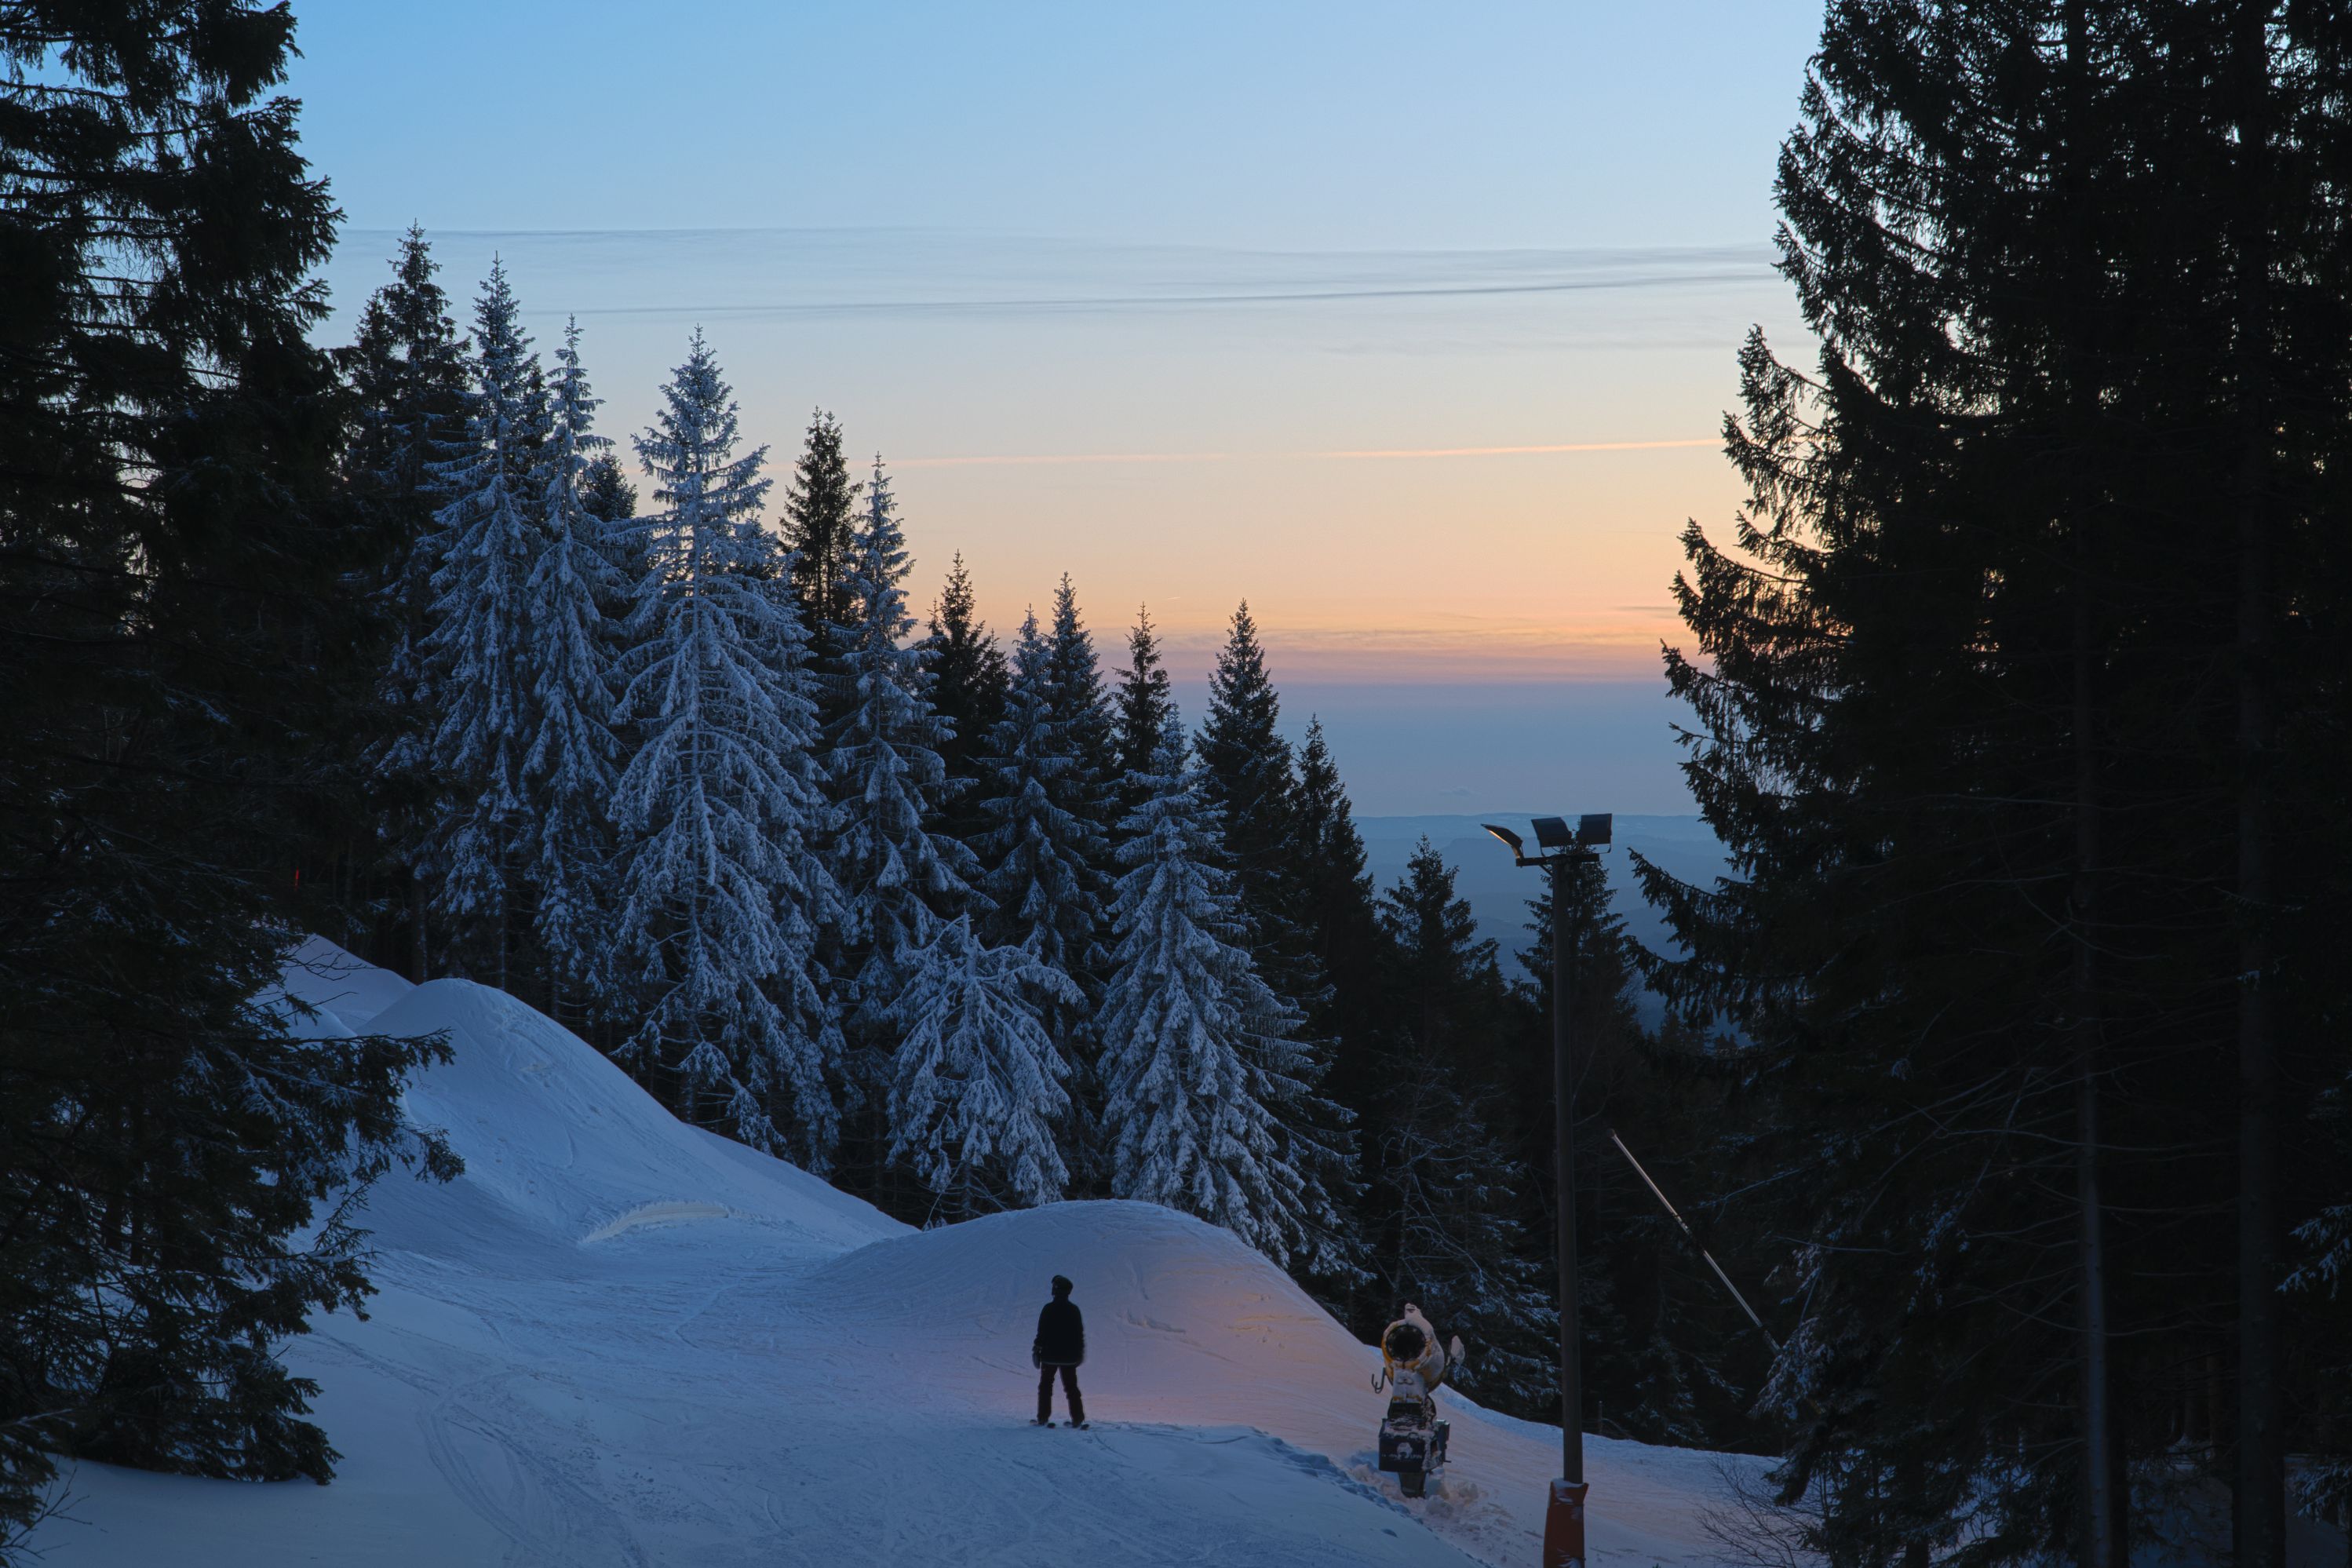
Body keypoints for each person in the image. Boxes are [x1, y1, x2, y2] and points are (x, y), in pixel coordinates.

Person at [1031, 1274, 1086, 1428]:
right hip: (1069, 1357)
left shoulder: (1048, 1309)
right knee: (1071, 1387)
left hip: (1050, 1356)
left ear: (1056, 1291)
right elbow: (1079, 1334)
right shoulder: (1074, 1310)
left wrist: (1037, 1347)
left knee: (1045, 1386)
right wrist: (1079, 1353)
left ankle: (1043, 1417)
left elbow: (1042, 1332)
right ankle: (1078, 1418)